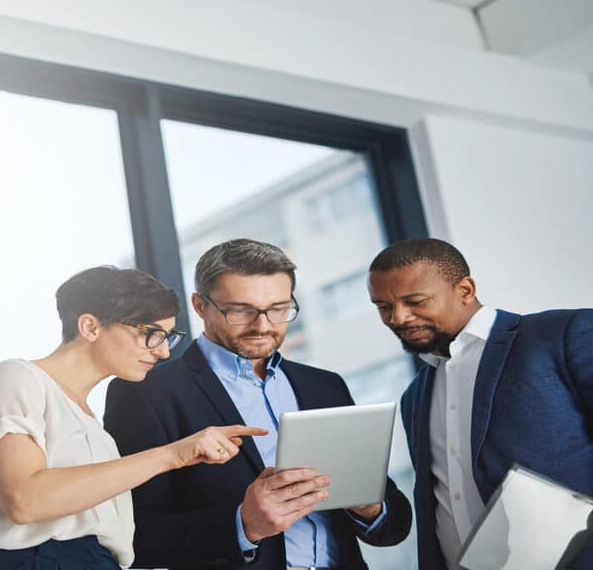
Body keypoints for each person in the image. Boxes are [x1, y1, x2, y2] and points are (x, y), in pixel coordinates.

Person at [106, 239, 412, 569]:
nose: (263, 326)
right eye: (241, 310)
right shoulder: (147, 392)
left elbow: (394, 524)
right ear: (200, 306)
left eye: (279, 309)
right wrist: (243, 525)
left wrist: (369, 509)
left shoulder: (324, 386)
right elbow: (134, 535)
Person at [0, 265, 267, 569]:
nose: (163, 353)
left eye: (168, 337)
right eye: (151, 334)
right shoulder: (15, 377)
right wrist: (171, 455)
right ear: (90, 327)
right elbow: (25, 499)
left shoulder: (95, 428)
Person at [367, 237, 593, 570]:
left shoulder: (568, 335)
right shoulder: (413, 398)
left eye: (415, 301)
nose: (398, 318)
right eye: (383, 307)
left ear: (466, 290)